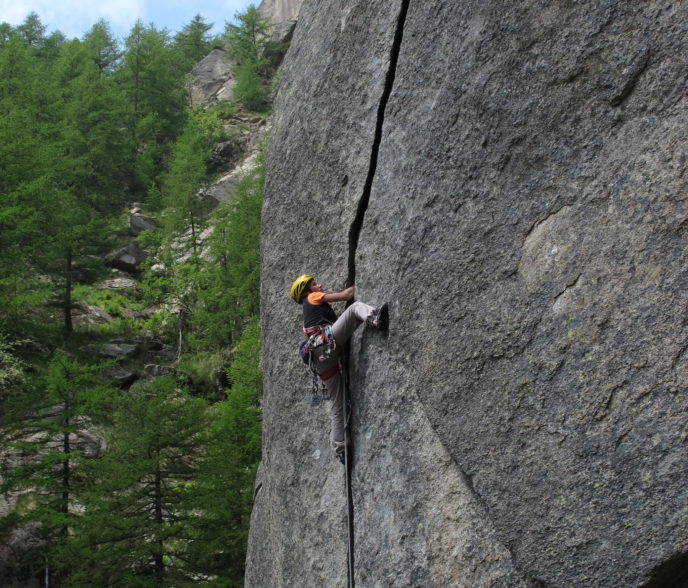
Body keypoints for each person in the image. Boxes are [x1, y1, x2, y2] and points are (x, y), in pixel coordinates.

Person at [290, 274, 388, 462]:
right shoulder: (312, 297)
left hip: (320, 360)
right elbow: (347, 294)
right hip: (326, 345)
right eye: (314, 284)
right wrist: (358, 283)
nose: (319, 285)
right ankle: (375, 319)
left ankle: (340, 449)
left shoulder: (307, 310)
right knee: (354, 309)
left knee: (337, 405)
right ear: (307, 290)